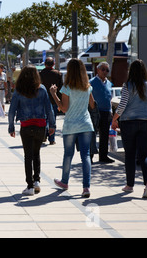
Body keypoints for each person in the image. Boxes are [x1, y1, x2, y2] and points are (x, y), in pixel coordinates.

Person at [112, 60, 147, 198]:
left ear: (130, 71)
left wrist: (114, 119)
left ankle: (129, 185)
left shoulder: (127, 86)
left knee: (130, 155)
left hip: (129, 122)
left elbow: (122, 106)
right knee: (144, 155)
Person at [50, 58, 96, 198]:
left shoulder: (67, 88)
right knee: (85, 155)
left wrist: (54, 94)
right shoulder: (88, 86)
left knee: (68, 154)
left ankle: (64, 182)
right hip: (86, 124)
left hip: (71, 125)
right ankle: (86, 187)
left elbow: (63, 108)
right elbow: (92, 105)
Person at [9, 66, 55, 195]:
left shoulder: (19, 90)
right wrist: (52, 126)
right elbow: (49, 109)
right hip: (40, 126)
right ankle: (37, 181)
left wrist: (11, 127)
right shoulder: (42, 89)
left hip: (26, 126)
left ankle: (29, 186)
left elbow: (12, 111)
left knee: (28, 156)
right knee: (37, 154)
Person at [90, 62, 115, 163]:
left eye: (107, 70)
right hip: (94, 112)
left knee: (104, 136)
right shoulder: (91, 82)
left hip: (106, 112)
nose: (105, 72)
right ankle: (89, 157)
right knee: (92, 135)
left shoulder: (109, 83)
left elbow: (110, 98)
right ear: (98, 70)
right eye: (103, 69)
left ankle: (103, 156)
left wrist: (111, 111)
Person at [39, 57, 63, 145]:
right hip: (54, 100)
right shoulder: (58, 74)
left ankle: (44, 133)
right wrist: (60, 103)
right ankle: (52, 139)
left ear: (45, 64)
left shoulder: (41, 74)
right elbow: (61, 89)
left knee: (44, 118)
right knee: (53, 118)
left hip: (42, 100)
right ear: (53, 64)